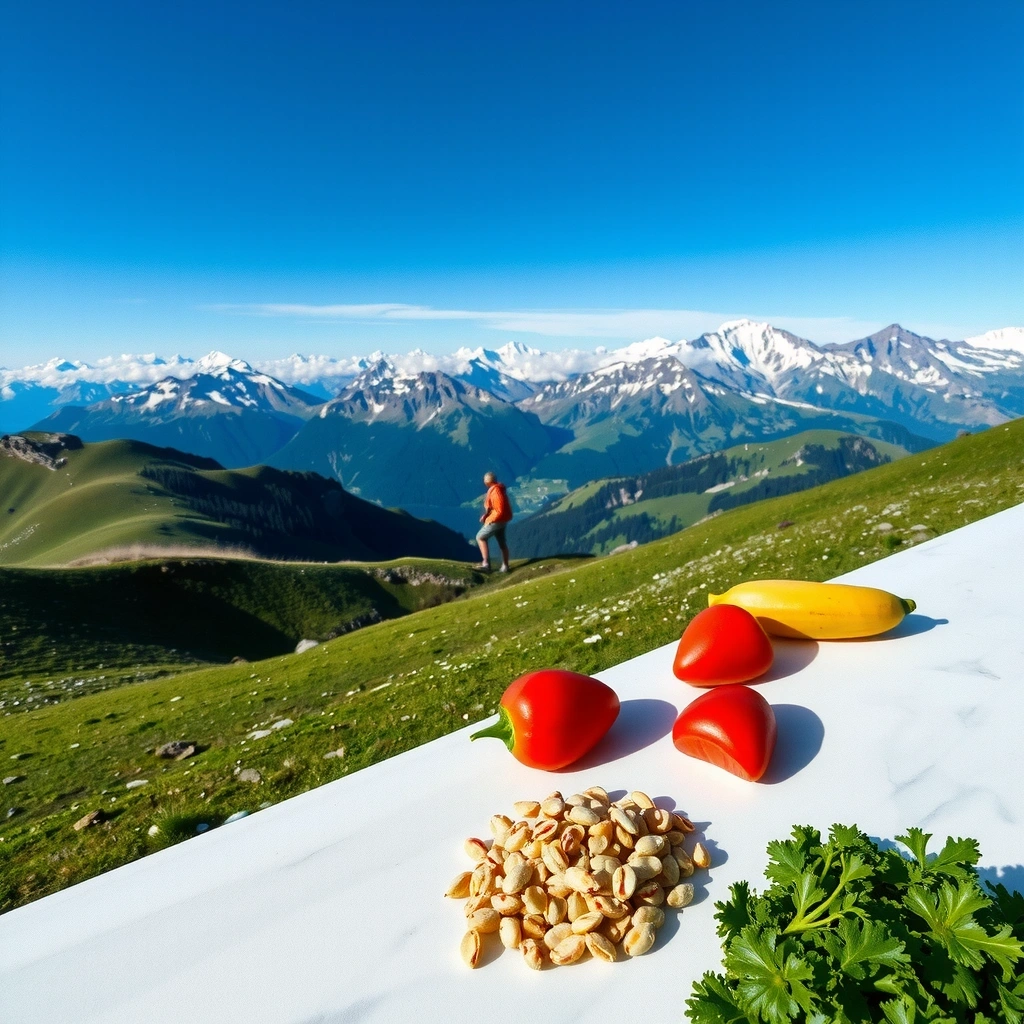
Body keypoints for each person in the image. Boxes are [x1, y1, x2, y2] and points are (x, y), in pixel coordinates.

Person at [476, 471, 512, 572]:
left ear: (487, 481)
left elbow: (499, 509)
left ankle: (486, 564)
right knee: (502, 542)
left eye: (484, 479)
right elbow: (494, 507)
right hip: (503, 520)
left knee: (480, 537)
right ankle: (505, 566)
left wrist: (490, 518)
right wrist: (486, 515)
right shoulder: (499, 489)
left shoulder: (495, 491)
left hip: (497, 520)